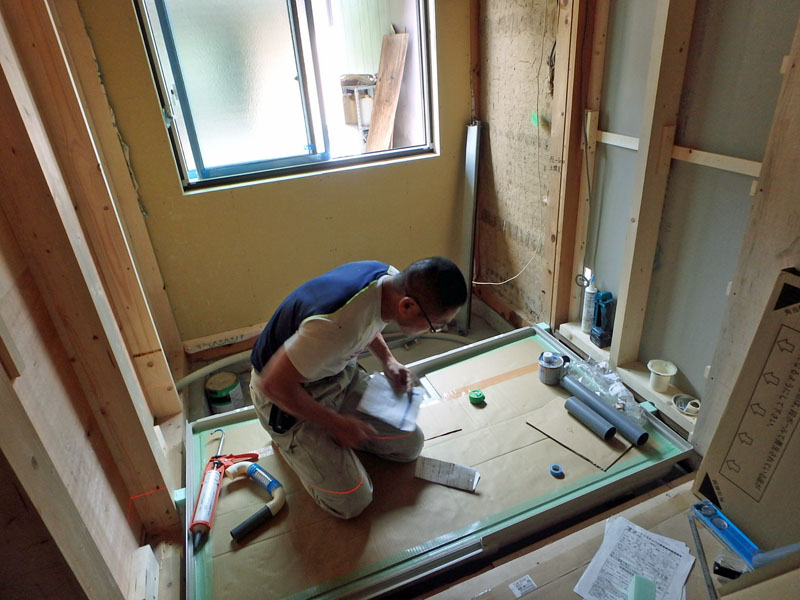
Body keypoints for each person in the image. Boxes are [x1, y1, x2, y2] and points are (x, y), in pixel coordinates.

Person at [249, 257, 468, 519]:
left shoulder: (390, 281)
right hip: (286, 397)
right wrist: (336, 424)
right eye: (435, 326)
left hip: (338, 374)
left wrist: (388, 360)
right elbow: (273, 385)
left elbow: (366, 322)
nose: (434, 330)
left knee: (410, 444)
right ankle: (289, 444)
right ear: (407, 306)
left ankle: (327, 444)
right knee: (352, 501)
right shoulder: (334, 326)